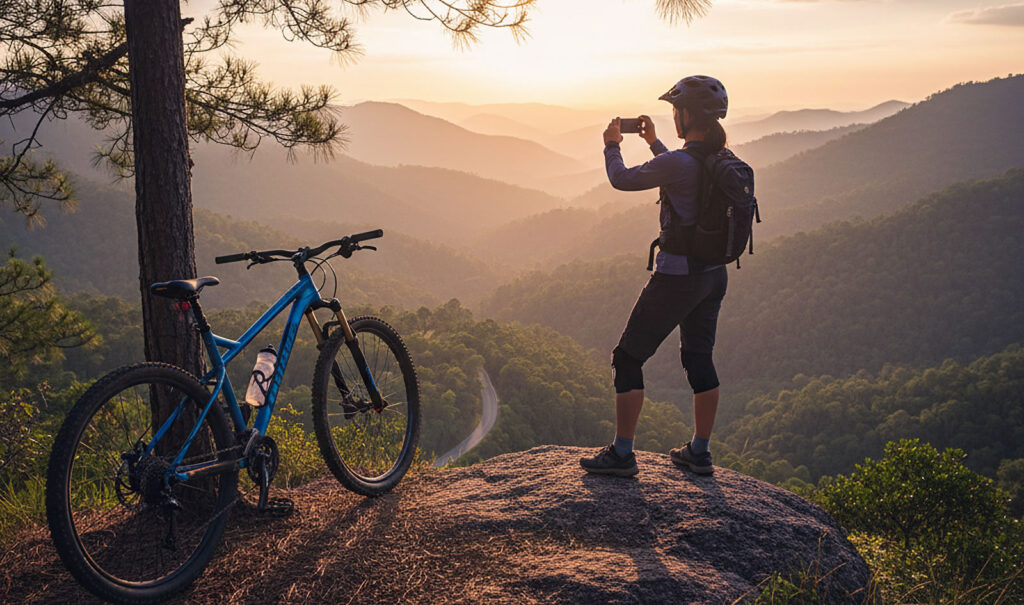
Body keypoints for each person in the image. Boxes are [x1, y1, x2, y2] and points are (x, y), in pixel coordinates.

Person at [580, 75, 730, 478]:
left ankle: (623, 453)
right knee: (699, 357)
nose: (673, 117)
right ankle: (700, 451)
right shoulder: (716, 159)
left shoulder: (682, 162)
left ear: (688, 115)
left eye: (676, 111)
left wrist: (612, 144)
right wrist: (653, 142)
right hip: (714, 276)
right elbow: (681, 172)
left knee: (627, 357)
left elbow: (622, 178)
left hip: (677, 278)